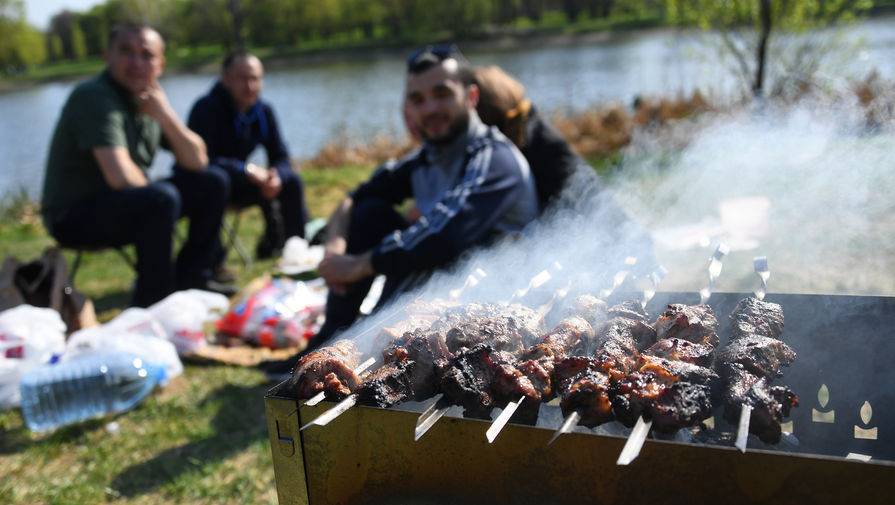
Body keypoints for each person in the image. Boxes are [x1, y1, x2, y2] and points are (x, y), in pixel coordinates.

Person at [41, 23, 232, 307]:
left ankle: (192, 278)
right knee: (161, 199)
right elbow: (120, 177)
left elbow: (198, 160)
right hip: (73, 215)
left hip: (122, 203)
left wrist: (165, 114)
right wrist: (164, 196)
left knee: (213, 182)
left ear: (161, 63)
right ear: (107, 56)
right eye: (126, 52)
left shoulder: (149, 100)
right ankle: (154, 300)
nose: (137, 63)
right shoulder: (94, 96)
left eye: (147, 55)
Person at [185, 51, 309, 261]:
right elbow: (203, 160)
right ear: (225, 78)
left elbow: (280, 155)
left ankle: (295, 250)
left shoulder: (263, 111)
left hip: (244, 183)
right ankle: (209, 262)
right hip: (211, 185)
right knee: (217, 181)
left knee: (292, 181)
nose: (250, 86)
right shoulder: (206, 109)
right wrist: (247, 170)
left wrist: (276, 176)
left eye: (255, 79)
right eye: (242, 78)